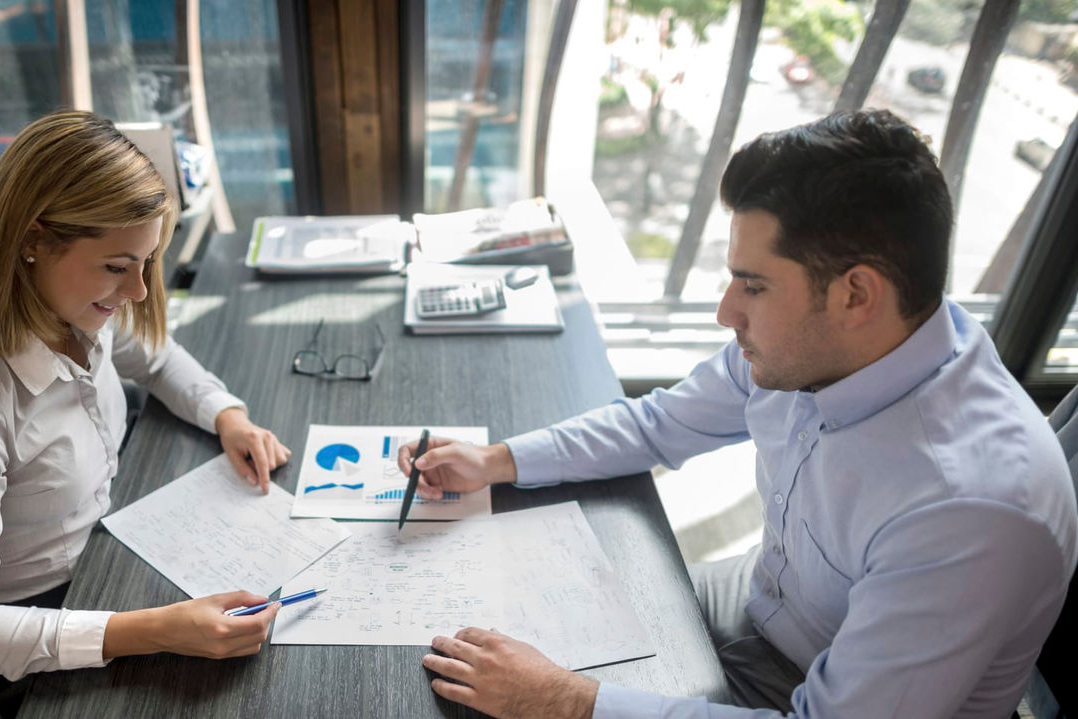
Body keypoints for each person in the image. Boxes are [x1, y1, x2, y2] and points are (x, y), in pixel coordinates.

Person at [399, 110, 1077, 718]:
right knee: (500, 624)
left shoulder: (969, 509)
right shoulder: (816, 346)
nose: (727, 313)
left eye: (753, 285)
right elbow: (656, 423)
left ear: (856, 294)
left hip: (813, 691)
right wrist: (499, 460)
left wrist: (567, 701)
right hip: (763, 606)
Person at [0, 110, 291, 701]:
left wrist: (227, 414)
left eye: (145, 263)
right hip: (33, 620)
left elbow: (154, 355)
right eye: (117, 268)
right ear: (32, 241)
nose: (138, 291)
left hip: (106, 551)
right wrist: (154, 630)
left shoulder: (64, 302)